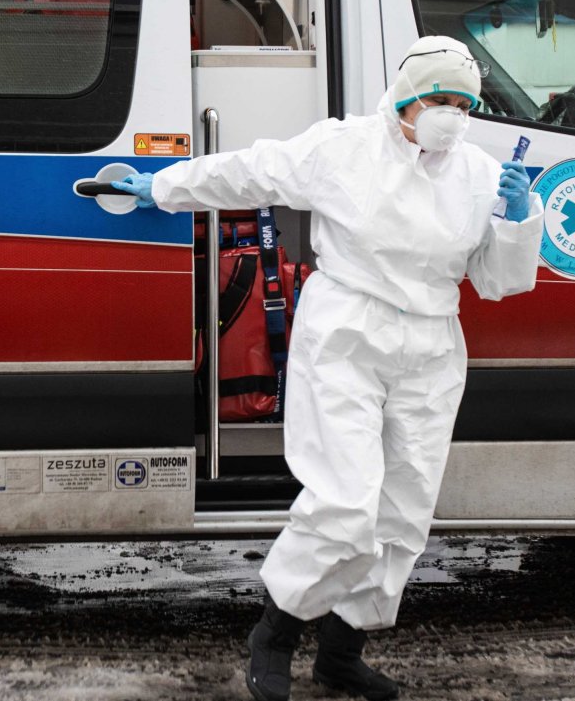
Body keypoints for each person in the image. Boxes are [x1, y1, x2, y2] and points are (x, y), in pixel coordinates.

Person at [113, 36, 543, 701]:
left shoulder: (478, 174)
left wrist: (517, 220)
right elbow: (249, 171)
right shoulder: (343, 149)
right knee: (346, 501)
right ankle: (275, 634)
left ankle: (343, 652)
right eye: (440, 99)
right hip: (347, 330)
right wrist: (159, 186)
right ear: (405, 96)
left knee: (403, 513)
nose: (452, 116)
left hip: (431, 346)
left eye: (465, 104)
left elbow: (494, 281)